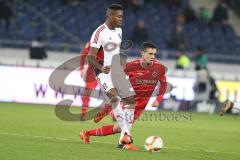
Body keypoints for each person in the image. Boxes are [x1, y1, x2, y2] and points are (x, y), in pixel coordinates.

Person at [81, 41, 168, 150]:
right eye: (150, 54)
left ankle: (87, 133)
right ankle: (123, 144)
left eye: (154, 54)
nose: (153, 56)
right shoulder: (131, 66)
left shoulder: (159, 68)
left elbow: (164, 84)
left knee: (119, 128)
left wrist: (158, 100)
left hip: (141, 105)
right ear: (142, 53)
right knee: (125, 124)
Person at [86, 4, 137, 150]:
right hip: (103, 71)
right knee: (115, 98)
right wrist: (101, 67)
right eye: (118, 16)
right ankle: (126, 135)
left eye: (122, 16)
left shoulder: (119, 31)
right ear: (110, 16)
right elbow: (90, 57)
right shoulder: (99, 32)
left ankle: (122, 140)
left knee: (131, 101)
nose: (121, 19)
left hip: (116, 70)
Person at [79, 41, 112, 116]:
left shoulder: (110, 41)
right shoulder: (93, 42)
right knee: (88, 90)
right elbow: (84, 54)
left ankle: (114, 112)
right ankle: (83, 111)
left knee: (111, 91)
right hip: (96, 68)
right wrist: (82, 68)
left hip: (104, 69)